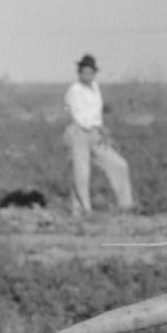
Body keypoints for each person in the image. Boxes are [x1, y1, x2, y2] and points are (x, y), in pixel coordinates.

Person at [62, 54, 134, 217]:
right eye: (84, 72)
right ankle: (82, 211)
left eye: (90, 72)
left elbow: (96, 114)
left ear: (94, 73)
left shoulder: (95, 88)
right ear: (79, 73)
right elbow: (79, 116)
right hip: (79, 132)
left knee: (119, 165)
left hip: (94, 133)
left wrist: (102, 130)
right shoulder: (74, 90)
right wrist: (93, 128)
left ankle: (126, 205)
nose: (87, 75)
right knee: (81, 172)